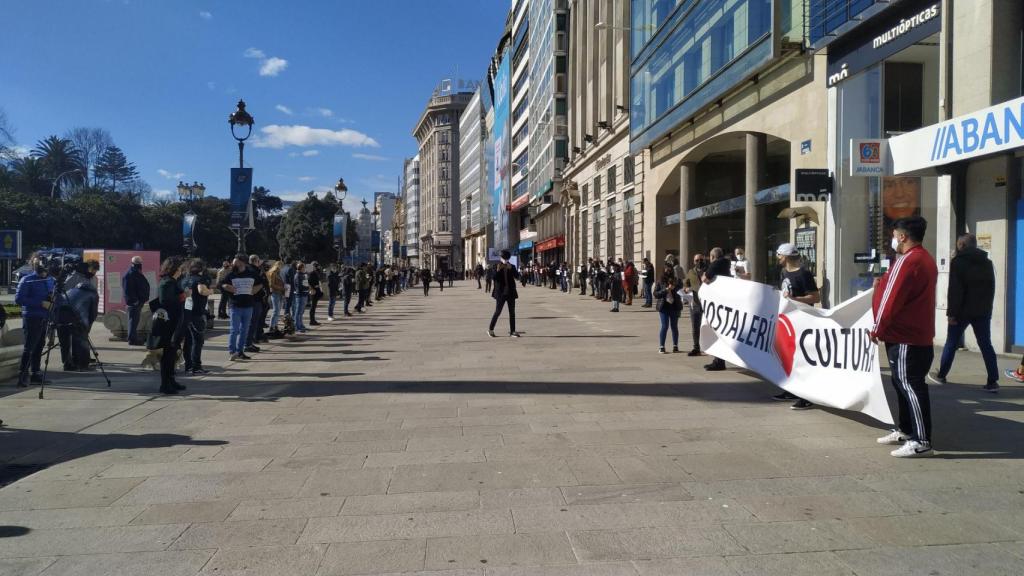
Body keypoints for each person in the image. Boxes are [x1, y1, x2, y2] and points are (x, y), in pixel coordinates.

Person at [872, 216, 938, 458]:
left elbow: (889, 301)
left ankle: (921, 440)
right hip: (914, 334)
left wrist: (876, 329)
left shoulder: (908, 261)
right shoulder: (925, 259)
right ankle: (907, 430)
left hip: (905, 337)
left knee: (910, 386)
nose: (892, 240)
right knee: (903, 384)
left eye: (894, 234)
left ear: (902, 236)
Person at [933, 233, 999, 392]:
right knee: (986, 344)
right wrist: (987, 309)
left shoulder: (958, 262)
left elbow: (955, 291)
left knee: (951, 342)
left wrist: (951, 313)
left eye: (958, 244)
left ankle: (941, 375)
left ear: (962, 245)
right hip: (982, 311)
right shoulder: (987, 262)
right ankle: (992, 381)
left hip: (961, 311)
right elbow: (991, 288)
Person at [772, 243, 821, 410]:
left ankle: (806, 396)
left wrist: (797, 300)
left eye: (779, 255)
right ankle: (792, 390)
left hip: (803, 321)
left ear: (785, 257)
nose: (777, 258)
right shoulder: (783, 272)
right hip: (788, 322)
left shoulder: (804, 274)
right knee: (788, 358)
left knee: (803, 360)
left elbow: (815, 297)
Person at [14, 254, 55, 388]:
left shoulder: (49, 280)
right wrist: (40, 303)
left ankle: (35, 373)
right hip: (31, 317)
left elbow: (54, 295)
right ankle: (22, 376)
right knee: (30, 347)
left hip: (45, 317)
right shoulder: (27, 280)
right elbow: (19, 299)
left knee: (39, 346)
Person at [153, 257, 188, 394]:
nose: (181, 271)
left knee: (173, 354)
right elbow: (165, 301)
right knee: (168, 354)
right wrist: (182, 296)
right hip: (168, 324)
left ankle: (171, 380)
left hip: (175, 322)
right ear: (174, 269)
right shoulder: (166, 282)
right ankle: (165, 384)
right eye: (180, 269)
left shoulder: (173, 282)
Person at [222, 254, 263, 360]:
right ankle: (232, 351)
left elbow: (261, 283)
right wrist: (227, 287)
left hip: (248, 306)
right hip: (235, 306)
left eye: (235, 261)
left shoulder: (252, 274)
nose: (233, 263)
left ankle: (240, 351)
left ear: (242, 262)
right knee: (234, 330)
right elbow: (221, 284)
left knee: (244, 330)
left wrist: (255, 290)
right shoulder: (231, 274)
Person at [702, 247, 732, 371]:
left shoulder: (716, 264)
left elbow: (705, 279)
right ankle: (719, 360)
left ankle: (719, 361)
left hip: (718, 301)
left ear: (713, 257)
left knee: (718, 332)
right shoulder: (726, 264)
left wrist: (704, 274)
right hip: (724, 301)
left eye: (710, 257)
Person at [182, 259, 212, 375]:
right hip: (197, 313)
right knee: (198, 341)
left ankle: (188, 365)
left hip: (186, 312)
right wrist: (210, 291)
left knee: (188, 341)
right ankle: (196, 366)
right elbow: (202, 291)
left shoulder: (185, 280)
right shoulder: (200, 280)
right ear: (202, 268)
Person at [487, 250, 520, 337]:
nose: (505, 260)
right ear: (501, 258)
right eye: (504, 258)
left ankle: (512, 331)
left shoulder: (512, 266)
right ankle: (490, 329)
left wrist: (511, 270)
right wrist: (498, 270)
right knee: (498, 311)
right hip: (500, 293)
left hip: (510, 292)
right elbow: (493, 278)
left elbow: (517, 276)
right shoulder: (496, 266)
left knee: (512, 312)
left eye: (507, 258)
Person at [123, 256, 150, 346]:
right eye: (138, 263)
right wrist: (135, 301)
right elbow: (127, 290)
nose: (140, 265)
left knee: (134, 321)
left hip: (138, 301)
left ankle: (133, 338)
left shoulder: (134, 272)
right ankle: (132, 339)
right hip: (134, 303)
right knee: (133, 321)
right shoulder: (130, 274)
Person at [683, 254, 707, 357]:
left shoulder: (708, 271)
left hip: (707, 304)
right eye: (697, 260)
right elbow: (686, 283)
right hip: (695, 303)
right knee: (695, 327)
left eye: (701, 260)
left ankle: (709, 348)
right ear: (694, 261)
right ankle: (696, 347)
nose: (699, 262)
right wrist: (686, 288)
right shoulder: (691, 272)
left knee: (708, 327)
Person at [654, 271, 683, 354]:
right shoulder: (660, 282)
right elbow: (656, 294)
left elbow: (681, 290)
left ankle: (675, 346)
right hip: (664, 307)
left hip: (674, 306)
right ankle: (662, 346)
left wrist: (674, 288)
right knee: (664, 326)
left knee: (674, 326)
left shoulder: (677, 281)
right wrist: (666, 290)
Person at [245, 255, 266, 353]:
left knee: (252, 322)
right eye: (258, 261)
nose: (259, 263)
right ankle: (248, 343)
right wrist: (262, 281)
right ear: (255, 261)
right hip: (254, 299)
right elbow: (257, 283)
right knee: (252, 322)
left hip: (254, 299)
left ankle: (249, 342)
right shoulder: (253, 271)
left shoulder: (250, 270)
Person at [267, 260, 286, 338]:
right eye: (281, 266)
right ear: (278, 266)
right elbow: (271, 284)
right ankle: (272, 326)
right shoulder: (273, 273)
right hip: (275, 293)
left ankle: (275, 325)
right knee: (275, 310)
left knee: (278, 311)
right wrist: (281, 288)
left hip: (279, 293)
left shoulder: (278, 273)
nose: (282, 268)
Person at [290, 262, 309, 332]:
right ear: (301, 268)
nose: (305, 269)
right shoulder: (298, 275)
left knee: (301, 312)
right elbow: (299, 286)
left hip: (304, 294)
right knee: (298, 312)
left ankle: (301, 325)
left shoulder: (303, 275)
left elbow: (305, 283)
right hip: (300, 295)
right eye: (304, 267)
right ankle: (297, 326)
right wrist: (306, 288)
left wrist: (307, 287)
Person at [307, 261, 322, 326]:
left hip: (317, 291)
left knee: (314, 306)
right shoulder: (312, 273)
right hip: (313, 291)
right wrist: (314, 287)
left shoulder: (316, 273)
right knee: (313, 306)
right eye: (317, 266)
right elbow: (309, 282)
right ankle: (312, 320)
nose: (318, 267)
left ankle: (313, 320)